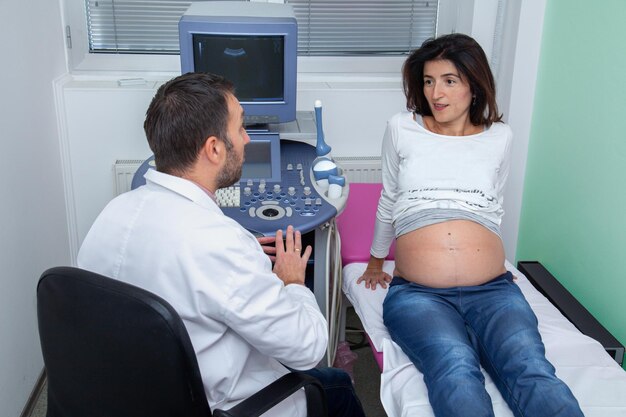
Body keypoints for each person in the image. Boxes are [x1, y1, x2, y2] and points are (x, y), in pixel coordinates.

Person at [77, 72, 365, 417]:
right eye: (241, 128)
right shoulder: (221, 244)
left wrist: (244, 262)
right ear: (214, 149)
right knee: (335, 384)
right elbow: (308, 348)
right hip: (221, 405)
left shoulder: (112, 212)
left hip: (131, 396)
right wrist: (292, 282)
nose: (246, 140)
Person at [357, 34, 584, 417]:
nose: (435, 93)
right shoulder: (402, 127)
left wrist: (494, 262)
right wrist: (377, 261)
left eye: (449, 80)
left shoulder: (500, 137)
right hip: (419, 294)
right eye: (428, 81)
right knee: (455, 368)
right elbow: (390, 199)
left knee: (531, 370)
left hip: (493, 290)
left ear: (474, 86)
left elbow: (493, 208)